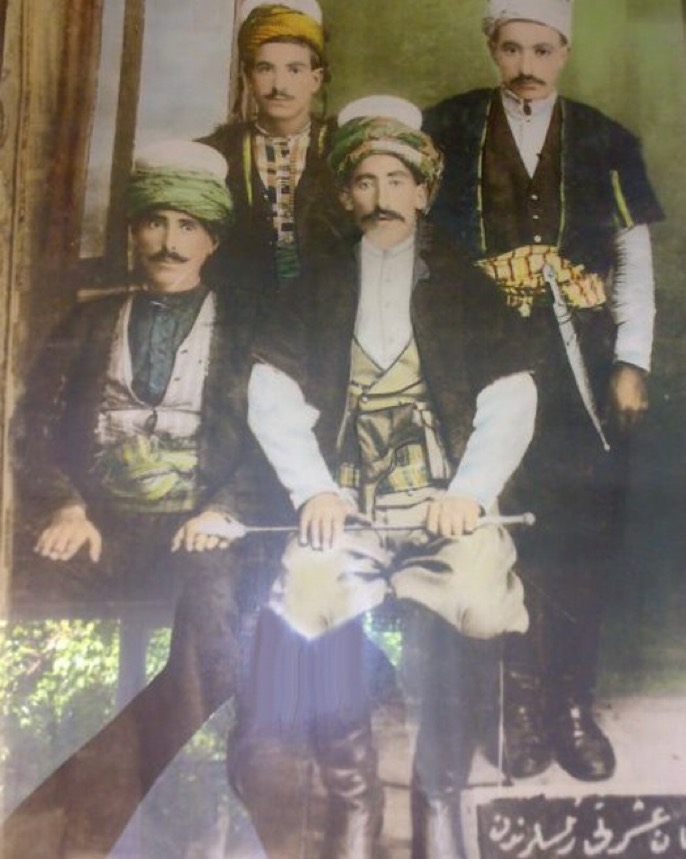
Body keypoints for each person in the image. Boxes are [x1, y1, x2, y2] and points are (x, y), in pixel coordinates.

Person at [241, 95, 536, 859]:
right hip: (348, 502)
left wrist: (470, 490)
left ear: (423, 190)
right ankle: (357, 803)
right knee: (308, 597)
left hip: (445, 497)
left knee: (473, 600)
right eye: (364, 183)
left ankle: (440, 796)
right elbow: (272, 392)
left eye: (396, 180)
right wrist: (314, 489)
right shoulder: (313, 288)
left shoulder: (465, 285)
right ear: (345, 195)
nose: (381, 198)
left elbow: (511, 394)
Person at [4, 140, 286, 858]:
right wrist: (64, 503)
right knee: (19, 590)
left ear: (212, 240)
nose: (168, 242)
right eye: (154, 222)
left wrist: (225, 507)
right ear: (133, 233)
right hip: (101, 527)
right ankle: (28, 773)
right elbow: (32, 422)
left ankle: (77, 815)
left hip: (201, 528)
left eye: (187, 226)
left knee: (217, 638)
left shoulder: (249, 331)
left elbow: (275, 440)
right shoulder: (89, 323)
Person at [423, 0, 664, 783]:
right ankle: (515, 705)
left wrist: (630, 362)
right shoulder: (446, 128)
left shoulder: (606, 139)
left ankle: (569, 703)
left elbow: (634, 267)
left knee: (577, 537)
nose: (527, 64)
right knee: (494, 529)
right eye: (511, 48)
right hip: (473, 366)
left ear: (563, 53)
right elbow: (409, 243)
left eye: (543, 50)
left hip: (579, 375)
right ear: (491, 47)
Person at [201, 0, 351, 303]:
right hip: (236, 319)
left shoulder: (344, 150)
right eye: (265, 69)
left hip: (329, 318)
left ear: (315, 79)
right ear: (248, 77)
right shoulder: (216, 154)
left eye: (294, 69)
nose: (279, 85)